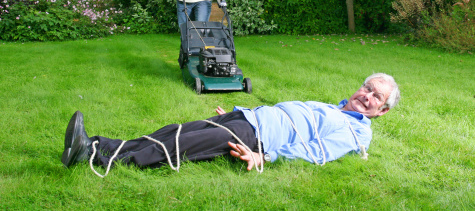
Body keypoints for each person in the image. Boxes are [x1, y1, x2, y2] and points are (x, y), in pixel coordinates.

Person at [61, 73, 400, 173]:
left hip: (253, 136)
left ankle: (94, 154)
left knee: (178, 145)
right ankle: (95, 145)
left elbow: (317, 151)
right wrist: (237, 111)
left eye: (376, 98)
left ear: (381, 111)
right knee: (173, 132)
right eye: (367, 88)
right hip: (244, 118)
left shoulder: (356, 133)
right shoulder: (335, 108)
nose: (367, 96)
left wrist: (264, 157)